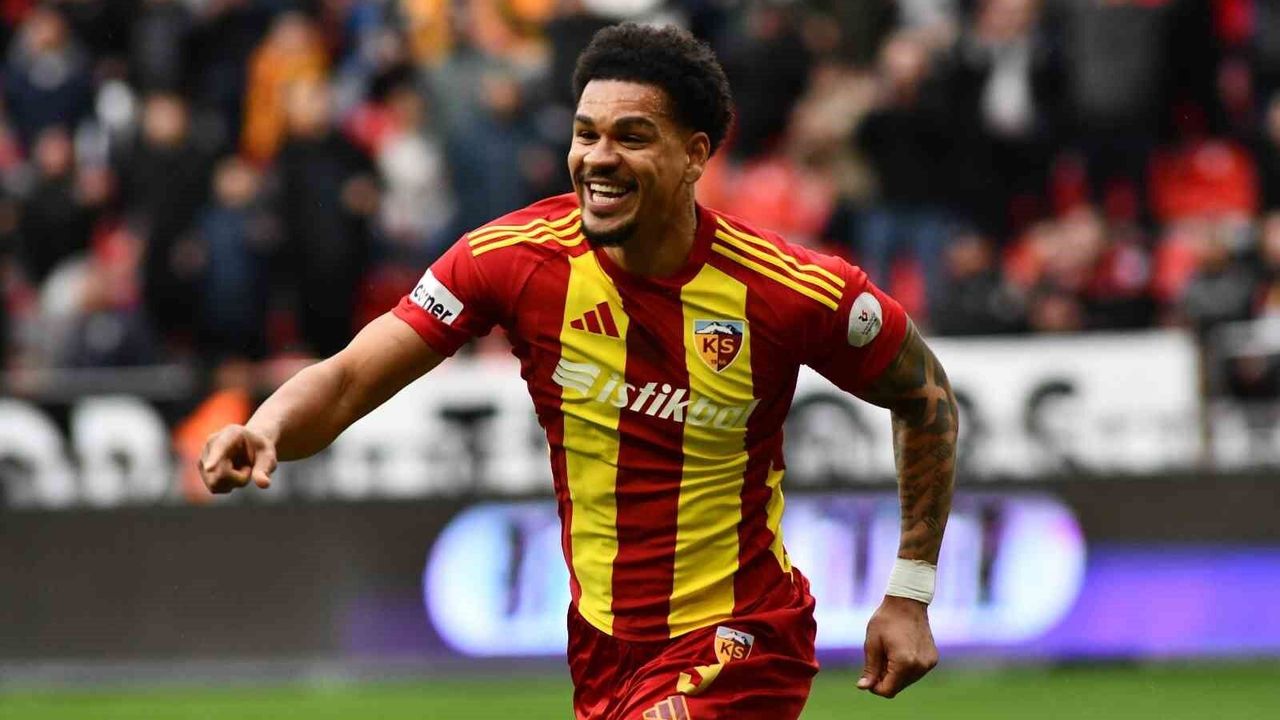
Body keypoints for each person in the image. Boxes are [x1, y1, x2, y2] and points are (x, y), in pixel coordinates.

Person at [198, 24, 957, 720]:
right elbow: (349, 378)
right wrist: (266, 428)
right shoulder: (510, 260)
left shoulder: (790, 290)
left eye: (632, 136)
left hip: (744, 638)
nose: (598, 157)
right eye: (586, 133)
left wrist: (911, 590)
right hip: (602, 648)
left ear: (696, 155)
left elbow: (925, 398)